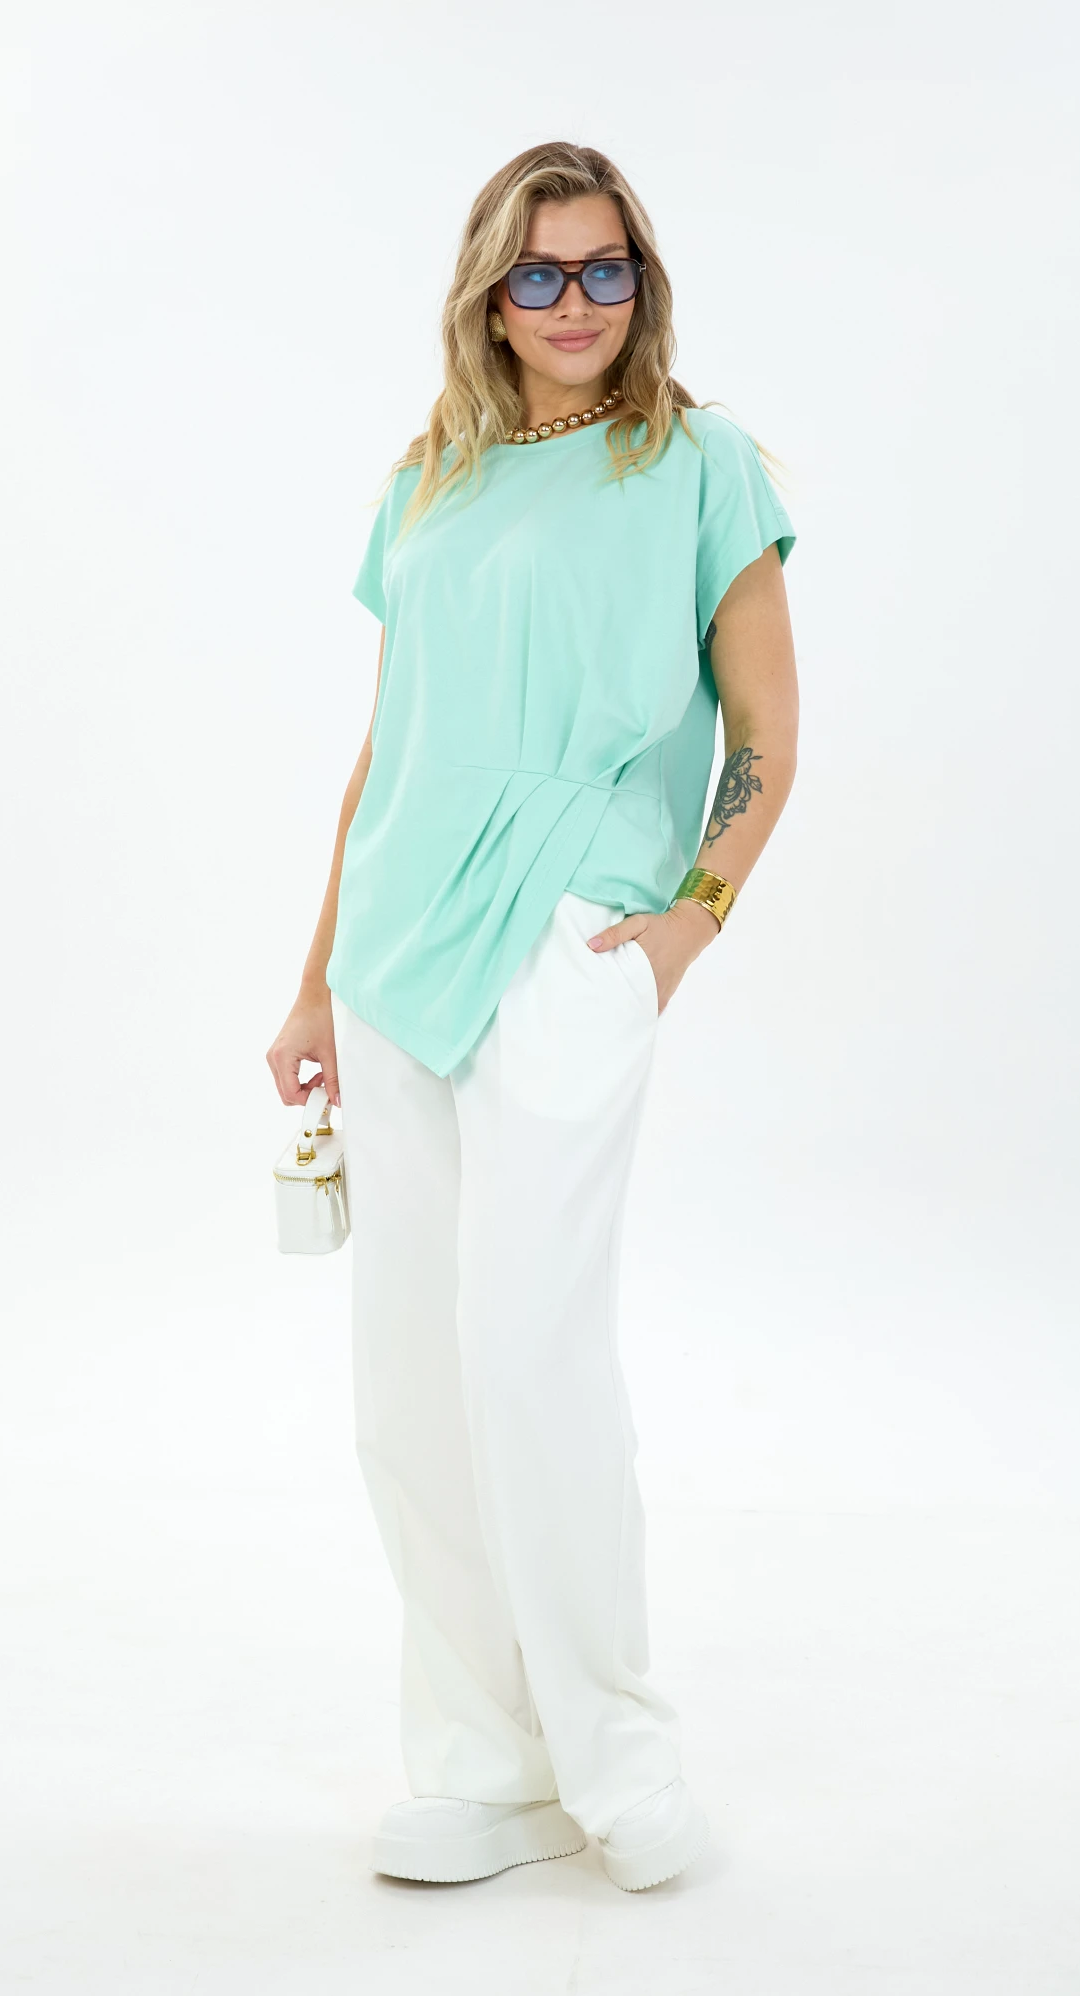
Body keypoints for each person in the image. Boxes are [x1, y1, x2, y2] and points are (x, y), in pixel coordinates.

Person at [266, 139, 799, 1893]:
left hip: (572, 930)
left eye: (606, 268)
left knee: (531, 1353)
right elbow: (389, 746)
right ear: (489, 296)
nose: (577, 303)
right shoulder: (429, 478)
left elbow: (765, 733)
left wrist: (683, 928)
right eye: (541, 273)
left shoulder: (703, 466)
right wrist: (312, 982)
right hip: (397, 952)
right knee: (409, 1383)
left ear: (644, 282)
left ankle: (617, 1761)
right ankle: (483, 1764)